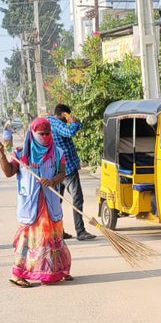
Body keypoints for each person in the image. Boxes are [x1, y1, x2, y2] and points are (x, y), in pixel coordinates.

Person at [0, 117, 73, 287]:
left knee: (53, 238)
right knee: (28, 240)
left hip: (50, 204)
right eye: (41, 134)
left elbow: (62, 173)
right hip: (30, 207)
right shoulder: (21, 153)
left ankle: (55, 270)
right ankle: (19, 274)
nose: (45, 137)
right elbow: (9, 172)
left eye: (48, 133)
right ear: (33, 133)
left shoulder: (57, 152)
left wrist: (52, 181)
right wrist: (1, 154)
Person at [48, 103, 95, 241]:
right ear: (63, 114)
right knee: (77, 199)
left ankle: (58, 232)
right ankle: (80, 231)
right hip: (67, 168)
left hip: (58, 168)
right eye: (67, 115)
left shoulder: (51, 122)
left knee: (57, 202)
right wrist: (74, 122)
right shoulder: (56, 123)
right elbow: (69, 132)